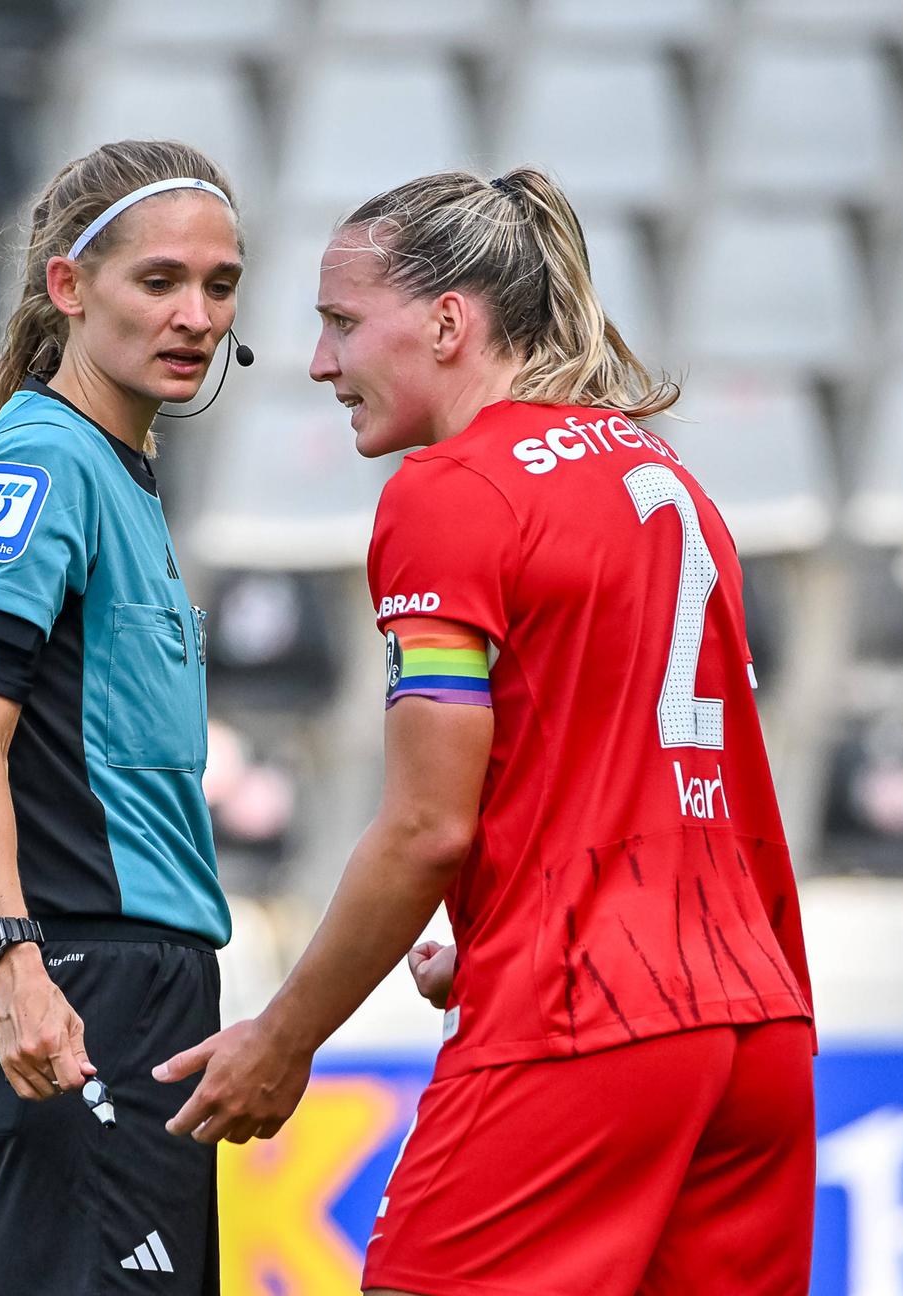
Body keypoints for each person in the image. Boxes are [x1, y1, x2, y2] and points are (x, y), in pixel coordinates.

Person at [153, 167, 816, 1295]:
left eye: (342, 324)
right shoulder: (668, 481)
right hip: (757, 1033)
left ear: (449, 322)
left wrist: (285, 1037)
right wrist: (518, 915)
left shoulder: (451, 491)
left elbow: (424, 829)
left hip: (584, 1025)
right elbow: (667, 782)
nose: (320, 363)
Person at [0, 138, 246, 1296]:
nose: (196, 315)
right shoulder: (43, 458)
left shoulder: (119, 469)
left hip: (147, 984)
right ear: (70, 286)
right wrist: (13, 966)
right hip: (73, 985)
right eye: (158, 282)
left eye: (220, 286)